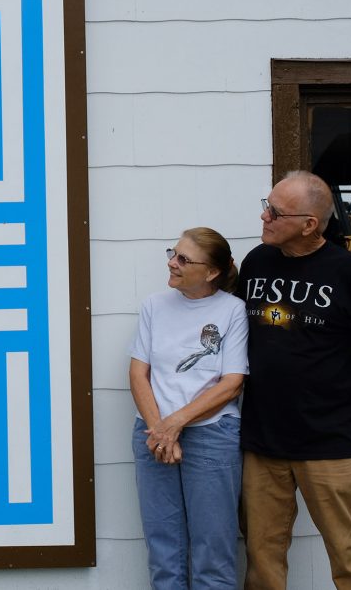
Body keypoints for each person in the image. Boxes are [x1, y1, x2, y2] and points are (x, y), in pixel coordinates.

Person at [239, 171, 351, 590]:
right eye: (266, 204)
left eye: (274, 211)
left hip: (329, 443)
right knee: (262, 564)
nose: (264, 216)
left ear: (310, 224)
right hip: (262, 444)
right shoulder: (257, 262)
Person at [129, 226, 248, 590]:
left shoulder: (232, 310)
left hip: (211, 436)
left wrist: (175, 424)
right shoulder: (154, 305)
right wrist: (159, 428)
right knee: (164, 549)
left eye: (183, 259)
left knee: (214, 551)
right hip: (152, 433)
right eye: (172, 253)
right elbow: (138, 372)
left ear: (211, 272)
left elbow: (231, 382)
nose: (172, 263)